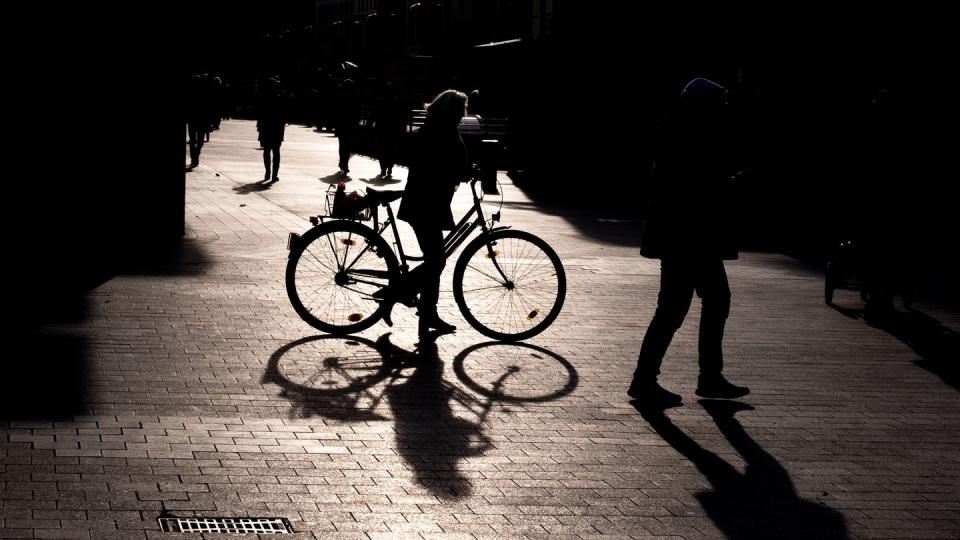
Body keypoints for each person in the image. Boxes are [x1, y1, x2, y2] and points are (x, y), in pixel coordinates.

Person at [628, 77, 750, 405]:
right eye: (720, 104)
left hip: (686, 238)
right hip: (691, 239)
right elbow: (697, 189)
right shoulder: (693, 136)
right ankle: (658, 379)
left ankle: (698, 376)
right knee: (680, 307)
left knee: (692, 304)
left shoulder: (681, 131)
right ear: (705, 106)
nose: (724, 109)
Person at [396, 89, 471, 338]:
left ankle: (428, 312)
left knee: (434, 260)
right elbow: (448, 163)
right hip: (425, 205)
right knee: (436, 261)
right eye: (462, 108)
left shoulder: (437, 127)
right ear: (452, 110)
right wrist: (468, 172)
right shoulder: (441, 131)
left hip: (427, 204)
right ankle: (398, 290)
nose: (464, 113)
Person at [256, 77, 285, 182]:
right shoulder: (280, 98)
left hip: (266, 127)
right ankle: (274, 174)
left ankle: (268, 172)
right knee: (276, 151)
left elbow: (260, 114)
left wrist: (259, 126)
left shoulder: (263, 98)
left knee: (267, 150)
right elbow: (283, 115)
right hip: (276, 128)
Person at [374, 82, 406, 177]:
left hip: (382, 128)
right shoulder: (397, 102)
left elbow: (375, 115)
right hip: (393, 129)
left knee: (382, 149)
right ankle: (390, 167)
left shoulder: (380, 101)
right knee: (391, 149)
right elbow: (401, 117)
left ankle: (383, 167)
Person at [335, 78, 360, 174]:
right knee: (348, 145)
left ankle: (342, 162)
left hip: (342, 124)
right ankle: (344, 163)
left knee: (342, 145)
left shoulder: (340, 96)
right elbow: (357, 111)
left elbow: (337, 111)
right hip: (350, 124)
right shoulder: (355, 96)